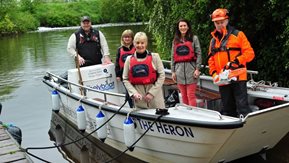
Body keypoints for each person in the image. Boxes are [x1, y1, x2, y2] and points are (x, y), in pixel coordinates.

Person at [208, 8, 255, 117]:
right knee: (227, 108)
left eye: (222, 22)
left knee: (242, 107)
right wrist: (214, 74)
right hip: (223, 79)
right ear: (214, 23)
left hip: (238, 77)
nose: (220, 25)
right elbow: (211, 60)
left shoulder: (238, 35)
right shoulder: (213, 41)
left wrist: (237, 61)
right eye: (217, 23)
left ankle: (248, 130)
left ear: (227, 20)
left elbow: (250, 53)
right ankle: (232, 131)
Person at [122, 32, 168, 115]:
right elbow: (125, 79)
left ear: (146, 43)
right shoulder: (129, 60)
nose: (140, 45)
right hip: (139, 100)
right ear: (134, 44)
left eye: (142, 43)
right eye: (137, 43)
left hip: (155, 98)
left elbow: (162, 76)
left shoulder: (155, 57)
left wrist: (152, 93)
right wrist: (133, 93)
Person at [171, 19, 202, 107]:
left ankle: (194, 115)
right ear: (178, 27)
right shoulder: (175, 40)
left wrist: (197, 69)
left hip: (191, 71)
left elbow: (199, 53)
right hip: (179, 72)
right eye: (181, 26)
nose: (183, 27)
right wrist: (173, 71)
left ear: (188, 27)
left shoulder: (194, 38)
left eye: (184, 25)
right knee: (184, 96)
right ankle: (186, 115)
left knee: (191, 95)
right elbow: (173, 56)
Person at [115, 29, 135, 108]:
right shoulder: (119, 50)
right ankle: (131, 106)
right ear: (122, 38)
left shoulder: (136, 48)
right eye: (125, 37)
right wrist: (118, 75)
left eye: (129, 37)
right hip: (124, 74)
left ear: (132, 38)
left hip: (134, 73)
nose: (127, 39)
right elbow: (117, 63)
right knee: (128, 91)